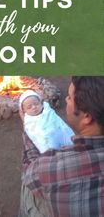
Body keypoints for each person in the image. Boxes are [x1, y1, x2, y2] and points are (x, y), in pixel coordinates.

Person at [19, 77, 104, 217]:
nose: (65, 100)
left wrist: (27, 128)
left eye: (70, 98)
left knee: (28, 189)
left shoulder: (54, 168)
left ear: (87, 117)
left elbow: (30, 172)